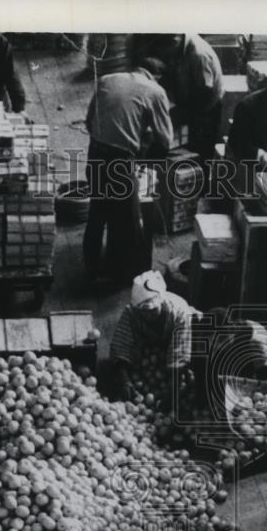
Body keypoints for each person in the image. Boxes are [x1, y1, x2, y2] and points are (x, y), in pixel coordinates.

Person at [83, 58, 173, 284]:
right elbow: (165, 140)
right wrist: (144, 154)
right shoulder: (156, 90)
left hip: (95, 152)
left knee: (97, 213)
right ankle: (119, 276)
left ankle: (91, 269)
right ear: (157, 76)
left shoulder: (106, 79)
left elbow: (89, 122)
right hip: (121, 161)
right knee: (126, 219)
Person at [108, 270, 198, 404]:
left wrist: (172, 390)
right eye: (144, 311)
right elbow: (120, 346)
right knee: (135, 362)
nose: (149, 314)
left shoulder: (179, 313)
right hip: (154, 342)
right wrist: (125, 381)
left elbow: (179, 354)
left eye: (153, 310)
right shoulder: (132, 312)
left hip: (185, 333)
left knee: (191, 361)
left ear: (161, 302)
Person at [157, 34, 224, 164]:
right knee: (190, 146)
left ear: (174, 43)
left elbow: (204, 91)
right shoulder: (180, 46)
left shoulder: (198, 54)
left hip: (207, 110)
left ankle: (200, 180)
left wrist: (183, 115)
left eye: (166, 52)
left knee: (201, 153)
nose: (167, 57)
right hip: (194, 102)